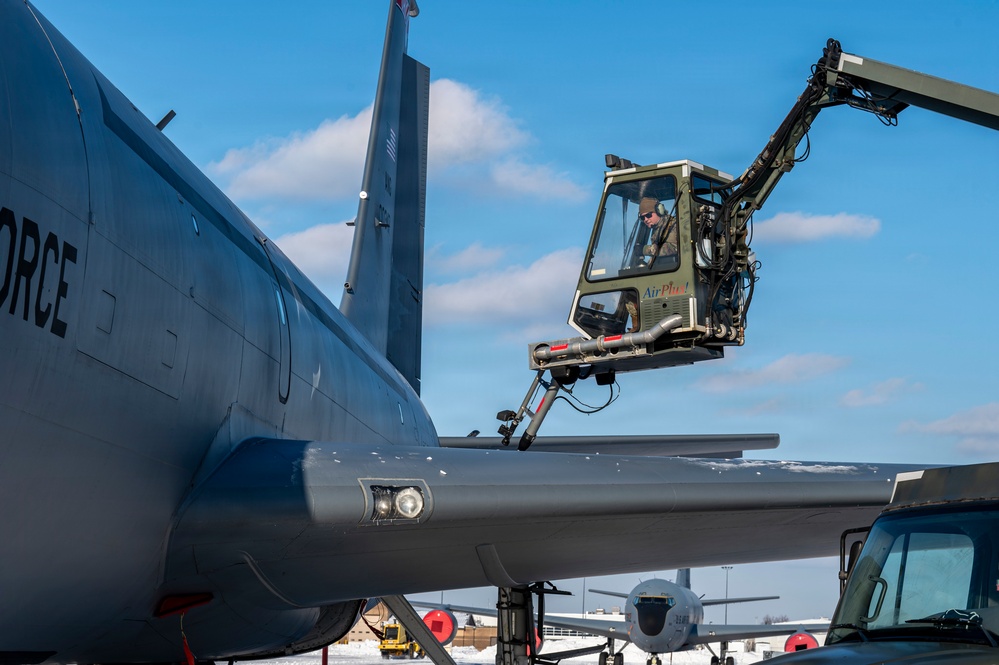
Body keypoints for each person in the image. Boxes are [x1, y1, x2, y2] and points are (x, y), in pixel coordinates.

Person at [636, 196, 678, 265]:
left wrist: (645, 250)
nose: (645, 219)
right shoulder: (656, 229)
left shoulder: (672, 225)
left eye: (648, 215)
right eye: (642, 217)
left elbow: (674, 248)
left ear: (659, 211)